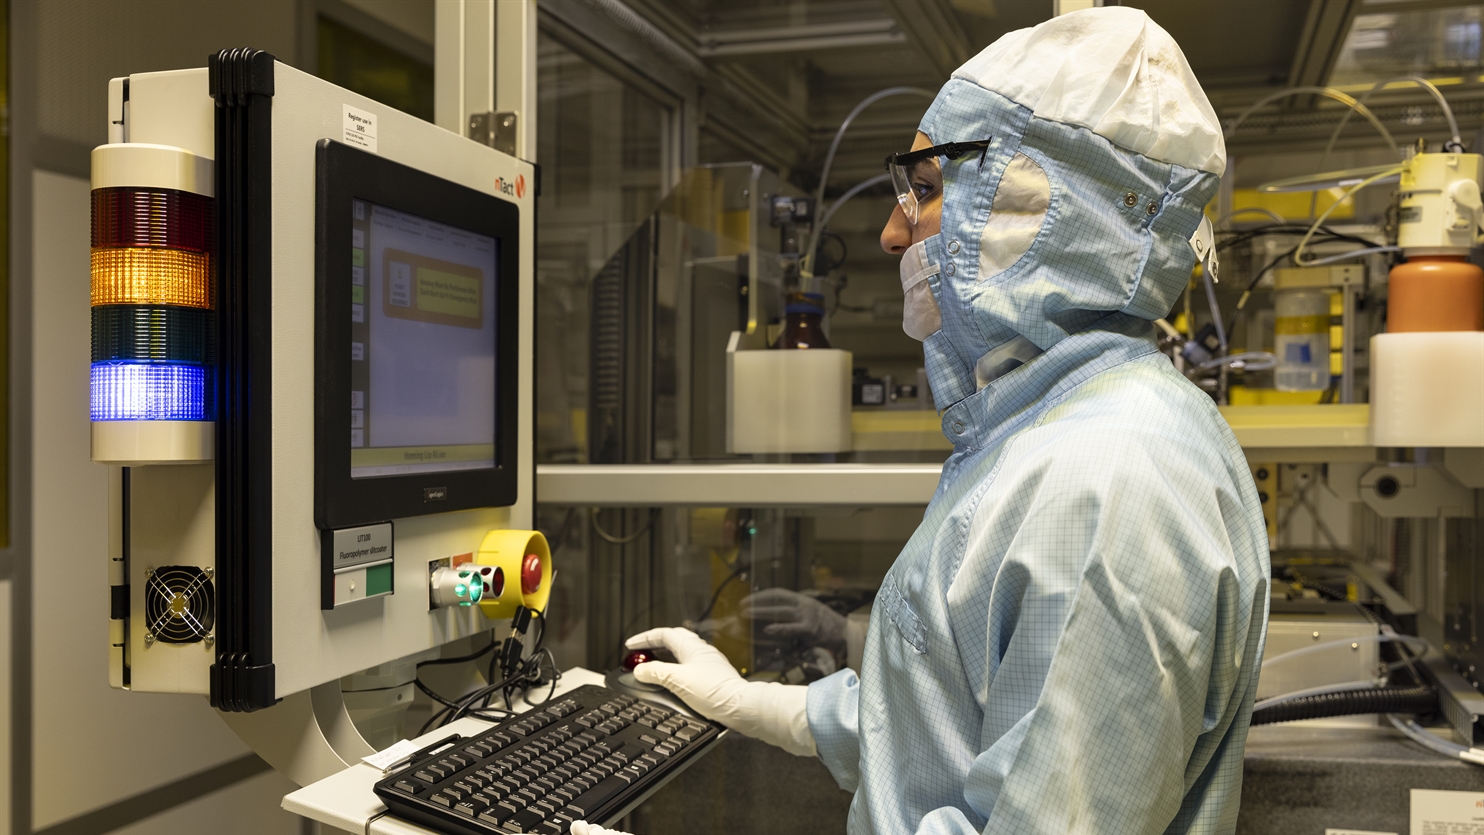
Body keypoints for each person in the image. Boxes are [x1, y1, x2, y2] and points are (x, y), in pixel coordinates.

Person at [572, 7, 1269, 834]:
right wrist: (755, 704)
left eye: (928, 190)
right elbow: (948, 714)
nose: (891, 228)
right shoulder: (1050, 429)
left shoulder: (1108, 480)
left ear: (1045, 213)